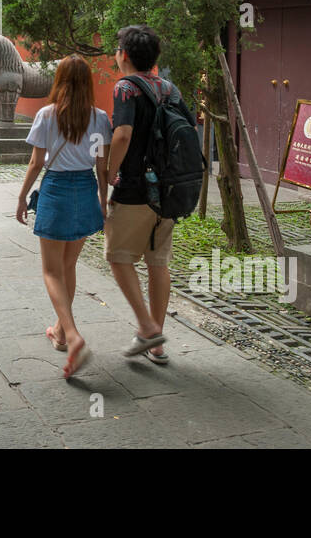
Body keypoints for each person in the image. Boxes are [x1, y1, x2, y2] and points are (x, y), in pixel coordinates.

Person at [15, 55, 111, 378]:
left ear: (59, 81)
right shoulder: (100, 118)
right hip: (85, 190)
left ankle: (72, 337)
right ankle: (59, 329)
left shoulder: (46, 115)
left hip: (55, 190)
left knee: (51, 271)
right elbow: (101, 167)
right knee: (68, 265)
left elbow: (35, 164)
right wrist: (103, 202)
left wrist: (21, 197)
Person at [105, 24, 178, 366]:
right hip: (169, 190)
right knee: (157, 261)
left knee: (118, 257)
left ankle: (148, 328)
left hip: (135, 188)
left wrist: (108, 174)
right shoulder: (168, 88)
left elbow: (121, 135)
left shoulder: (126, 88)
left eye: (118, 49)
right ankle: (157, 342)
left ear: (124, 55)